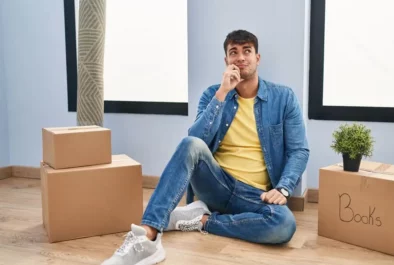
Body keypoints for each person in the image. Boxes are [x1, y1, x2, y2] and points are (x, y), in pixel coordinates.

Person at [101, 29, 309, 265]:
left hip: (255, 194)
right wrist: (222, 93)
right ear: (226, 61)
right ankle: (149, 237)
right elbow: (196, 140)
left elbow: (299, 150)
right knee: (190, 143)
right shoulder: (212, 94)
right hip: (216, 183)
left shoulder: (284, 98)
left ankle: (202, 221)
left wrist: (283, 189)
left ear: (257, 58)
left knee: (284, 224)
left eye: (247, 51)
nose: (240, 57)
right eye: (234, 52)